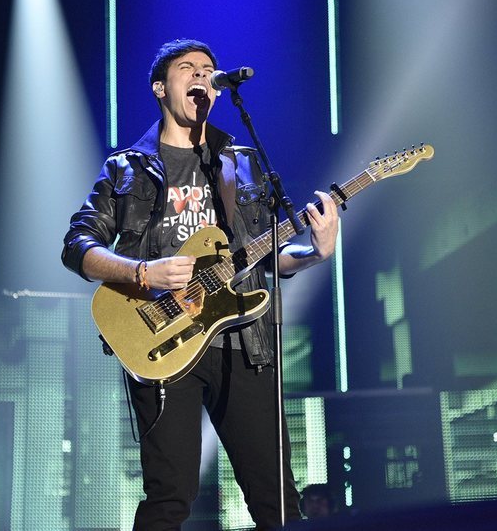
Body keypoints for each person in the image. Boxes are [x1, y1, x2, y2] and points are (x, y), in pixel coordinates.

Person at [62, 38, 339, 530]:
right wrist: (143, 273)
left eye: (208, 69)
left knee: (277, 498)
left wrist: (315, 252)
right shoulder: (126, 168)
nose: (201, 75)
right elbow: (78, 246)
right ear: (160, 89)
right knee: (171, 498)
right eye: (187, 68)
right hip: (162, 340)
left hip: (245, 343)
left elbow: (266, 256)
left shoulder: (242, 161)